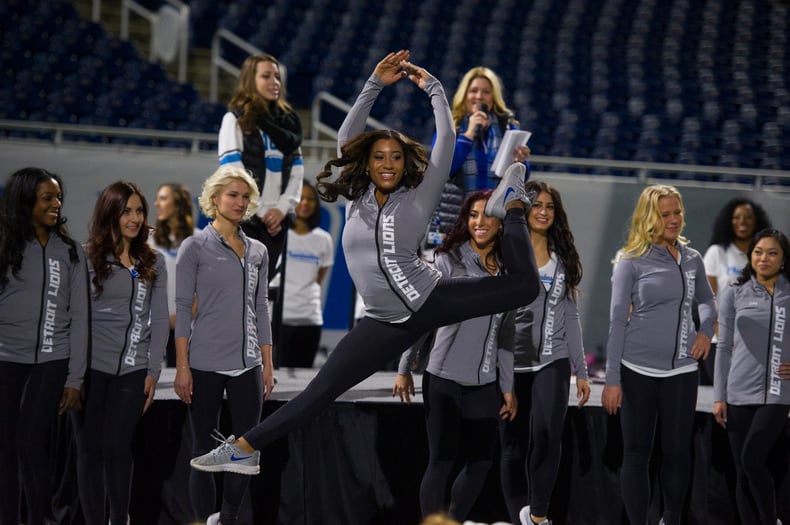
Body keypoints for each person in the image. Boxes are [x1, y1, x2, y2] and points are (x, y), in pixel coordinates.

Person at [188, 50, 540, 483]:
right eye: (379, 157)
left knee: (525, 287)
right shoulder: (356, 198)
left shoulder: (420, 196)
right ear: (367, 164)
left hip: (431, 299)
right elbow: (347, 135)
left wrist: (435, 90)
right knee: (320, 392)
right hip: (383, 321)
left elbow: (446, 140)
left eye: (395, 157)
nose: (388, 163)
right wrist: (374, 83)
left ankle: (513, 204)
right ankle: (245, 450)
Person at [393, 190, 517, 521]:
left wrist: (507, 387)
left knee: (480, 462)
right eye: (474, 215)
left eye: (488, 215)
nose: (481, 222)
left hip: (484, 383)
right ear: (466, 219)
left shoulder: (510, 271)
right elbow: (422, 317)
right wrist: (405, 368)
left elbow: (506, 334)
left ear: (502, 223)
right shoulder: (446, 260)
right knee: (441, 461)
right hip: (443, 378)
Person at [601, 184, 716, 525]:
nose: (673, 219)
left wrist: (705, 332)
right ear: (649, 217)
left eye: (677, 212)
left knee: (678, 452)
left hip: (682, 370)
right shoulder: (630, 261)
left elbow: (708, 303)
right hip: (637, 368)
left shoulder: (693, 259)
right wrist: (611, 380)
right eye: (665, 214)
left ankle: (671, 519)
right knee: (636, 453)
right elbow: (617, 322)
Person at [173, 165, 275, 525]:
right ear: (214, 198)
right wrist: (182, 367)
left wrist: (268, 363)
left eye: (245, 197)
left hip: (249, 364)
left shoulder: (259, 250)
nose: (240, 202)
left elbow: (261, 307)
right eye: (232, 195)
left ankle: (227, 519)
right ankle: (202, 521)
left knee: (244, 452)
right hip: (203, 362)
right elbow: (183, 309)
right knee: (202, 450)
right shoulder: (194, 247)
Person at [74, 181, 168, 525]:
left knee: (116, 447)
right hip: (89, 371)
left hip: (132, 370)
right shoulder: (85, 257)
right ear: (110, 213)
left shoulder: (153, 261)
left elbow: (159, 320)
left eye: (139, 210)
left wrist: (152, 371)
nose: (134, 218)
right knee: (89, 451)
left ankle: (119, 518)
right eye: (126, 210)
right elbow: (75, 318)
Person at [499, 180, 591, 525]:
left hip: (552, 362)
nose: (543, 212)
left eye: (550, 206)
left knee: (548, 435)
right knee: (512, 445)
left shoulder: (562, 257)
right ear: (524, 209)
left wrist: (581, 371)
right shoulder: (507, 249)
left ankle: (537, 516)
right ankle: (516, 516)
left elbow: (571, 316)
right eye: (536, 205)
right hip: (509, 362)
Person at [0, 167, 88, 525]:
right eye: (47, 197)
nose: (56, 203)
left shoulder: (70, 251)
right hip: (5, 359)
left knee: (29, 444)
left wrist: (75, 379)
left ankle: (39, 519)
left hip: (53, 360)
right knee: (5, 448)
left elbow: (81, 316)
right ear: (26, 201)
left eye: (58, 197)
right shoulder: (5, 244)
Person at [713, 228, 790, 525]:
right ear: (751, 255)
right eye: (759, 252)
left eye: (772, 253)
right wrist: (720, 397)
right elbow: (724, 348)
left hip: (778, 391)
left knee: (752, 459)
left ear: (783, 260)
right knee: (742, 471)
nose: (764, 258)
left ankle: (771, 520)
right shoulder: (735, 291)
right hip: (738, 392)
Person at [218, 52, 304, 281]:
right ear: (250, 80)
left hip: (277, 222)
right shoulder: (235, 119)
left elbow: (297, 171)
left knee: (260, 295)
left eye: (277, 76)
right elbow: (232, 170)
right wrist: (264, 212)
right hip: (245, 221)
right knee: (237, 291)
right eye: (266, 76)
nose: (274, 82)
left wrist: (282, 209)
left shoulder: (289, 123)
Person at [432, 66, 531, 237]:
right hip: (456, 218)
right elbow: (442, 169)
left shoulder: (508, 127)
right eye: (473, 91)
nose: (479, 96)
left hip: (495, 220)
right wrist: (468, 135)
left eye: (486, 91)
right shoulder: (449, 127)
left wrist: (522, 162)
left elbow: (523, 178)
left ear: (493, 97)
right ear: (464, 95)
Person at [701, 197, 772, 385]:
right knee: (721, 398)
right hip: (720, 340)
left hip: (755, 341)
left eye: (748, 217)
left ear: (757, 221)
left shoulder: (763, 256)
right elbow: (708, 299)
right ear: (728, 221)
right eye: (737, 217)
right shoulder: (717, 253)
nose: (742, 222)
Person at [275, 180, 334, 368]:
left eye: (310, 199)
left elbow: (318, 278)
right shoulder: (277, 234)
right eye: (300, 198)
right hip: (277, 320)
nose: (305, 203)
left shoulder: (323, 239)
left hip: (310, 319)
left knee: (302, 379)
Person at [148, 182, 196, 367]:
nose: (156, 204)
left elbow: (205, 286)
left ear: (178, 204)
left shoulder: (198, 240)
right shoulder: (148, 241)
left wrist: (183, 318)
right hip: (152, 329)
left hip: (187, 331)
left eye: (163, 198)